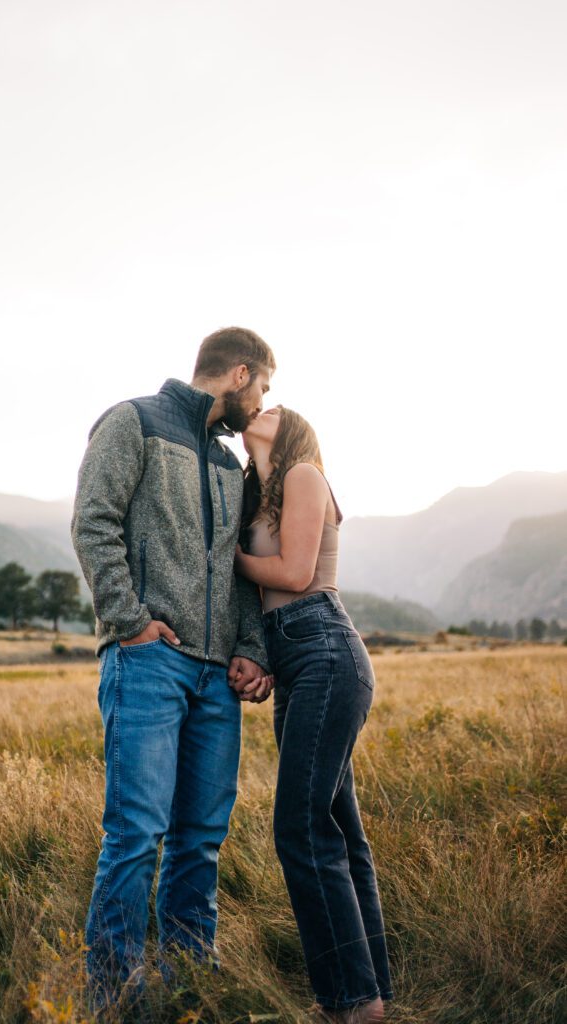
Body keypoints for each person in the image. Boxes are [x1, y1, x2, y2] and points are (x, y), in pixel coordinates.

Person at [70, 327, 276, 1014]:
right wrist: (129, 622)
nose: (265, 401)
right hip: (150, 664)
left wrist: (250, 648)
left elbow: (241, 574)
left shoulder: (227, 464)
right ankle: (115, 994)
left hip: (215, 678)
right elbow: (93, 521)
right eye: (266, 386)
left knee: (201, 840)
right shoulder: (133, 421)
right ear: (239, 373)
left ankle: (190, 984)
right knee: (136, 835)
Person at [233, 405, 393, 1024]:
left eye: (274, 402)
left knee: (300, 829)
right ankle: (368, 993)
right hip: (298, 656)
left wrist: (226, 555)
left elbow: (296, 575)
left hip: (325, 648)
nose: (261, 408)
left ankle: (349, 1000)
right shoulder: (261, 491)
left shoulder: (303, 472)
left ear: (294, 427)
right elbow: (269, 596)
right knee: (338, 833)